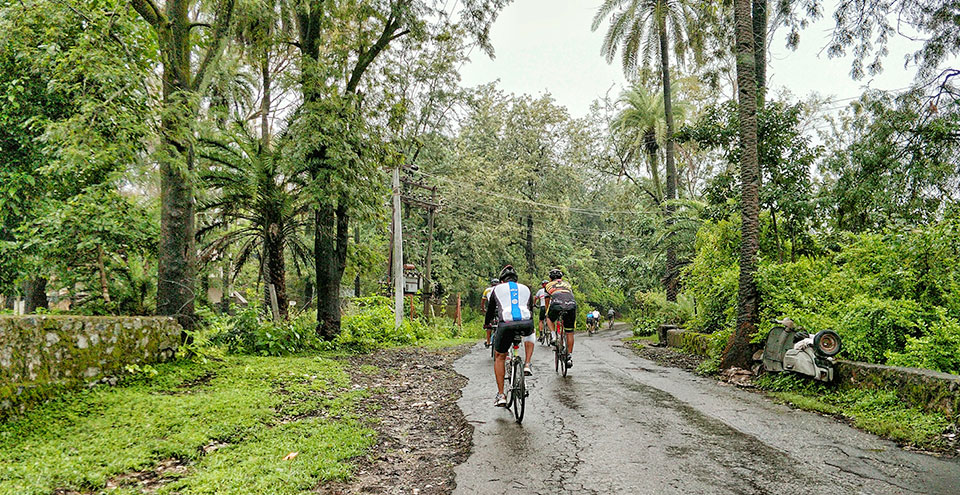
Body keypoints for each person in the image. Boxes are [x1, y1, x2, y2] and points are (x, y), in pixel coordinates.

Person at [485, 265, 535, 407]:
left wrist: (487, 324)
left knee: (500, 356)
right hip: (526, 323)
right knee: (531, 333)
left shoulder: (496, 289)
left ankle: (501, 395)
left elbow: (490, 311)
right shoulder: (526, 289)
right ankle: (527, 364)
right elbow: (530, 309)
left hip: (506, 324)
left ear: (502, 281)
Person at [544, 268, 577, 368]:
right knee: (569, 332)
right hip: (571, 304)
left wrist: (547, 312)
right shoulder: (567, 284)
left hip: (557, 303)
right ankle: (569, 357)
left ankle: (554, 336)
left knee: (549, 318)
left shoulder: (548, 285)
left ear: (550, 278)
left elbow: (547, 300)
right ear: (561, 278)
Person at [480, 278, 499, 348]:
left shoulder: (487, 290)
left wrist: (483, 309)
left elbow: (483, 302)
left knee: (488, 325)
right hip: (500, 309)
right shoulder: (501, 289)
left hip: (491, 309)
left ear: (491, 284)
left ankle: (488, 342)